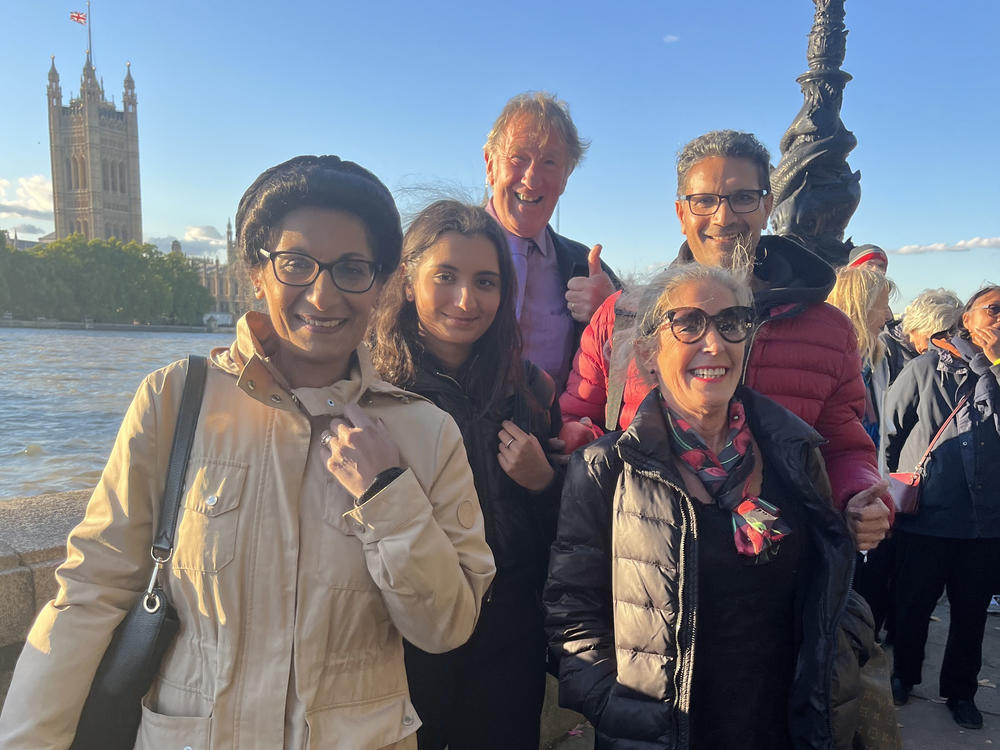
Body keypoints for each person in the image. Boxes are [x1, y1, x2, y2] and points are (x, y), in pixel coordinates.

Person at [0, 156, 496, 749]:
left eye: (352, 268)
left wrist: (387, 496)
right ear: (254, 273)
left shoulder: (428, 433)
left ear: (383, 284)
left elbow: (446, 627)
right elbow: (90, 592)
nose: (323, 292)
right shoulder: (173, 402)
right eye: (296, 264)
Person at [544, 262, 873, 749]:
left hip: (784, 728)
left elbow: (828, 579)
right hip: (663, 735)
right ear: (648, 353)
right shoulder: (606, 469)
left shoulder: (794, 453)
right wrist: (615, 706)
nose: (714, 344)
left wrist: (844, 648)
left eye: (731, 323)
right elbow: (570, 613)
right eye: (689, 324)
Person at [560, 129, 891, 548]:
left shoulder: (827, 330)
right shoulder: (622, 316)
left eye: (743, 198)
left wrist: (858, 497)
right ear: (681, 212)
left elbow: (844, 448)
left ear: (767, 205)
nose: (723, 217)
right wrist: (572, 440)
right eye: (704, 201)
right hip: (647, 564)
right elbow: (581, 420)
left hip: (780, 574)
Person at [368, 200, 561, 749]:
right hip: (404, 634)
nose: (465, 300)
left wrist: (544, 481)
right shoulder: (373, 390)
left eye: (485, 282)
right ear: (407, 281)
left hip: (509, 629)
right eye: (445, 277)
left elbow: (560, 528)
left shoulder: (529, 388)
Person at [886, 284, 1000, 730]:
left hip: (985, 523)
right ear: (966, 318)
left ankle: (961, 691)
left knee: (971, 615)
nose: (999, 319)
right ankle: (903, 675)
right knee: (913, 604)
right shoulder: (924, 368)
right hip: (928, 516)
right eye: (993, 310)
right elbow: (890, 436)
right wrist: (887, 499)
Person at [483, 91, 620, 388]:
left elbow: (640, 361)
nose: (531, 179)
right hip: (451, 430)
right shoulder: (441, 250)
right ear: (490, 165)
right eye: (518, 158)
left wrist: (610, 314)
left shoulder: (585, 267)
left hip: (556, 431)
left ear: (566, 177)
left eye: (549, 162)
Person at [827, 266, 897, 640]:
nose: (887, 315)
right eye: (881, 305)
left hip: (865, 489)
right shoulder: (840, 359)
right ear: (859, 304)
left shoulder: (878, 359)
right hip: (836, 497)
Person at [881, 288, 963, 386]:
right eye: (929, 339)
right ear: (913, 328)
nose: (937, 347)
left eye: (948, 340)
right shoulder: (884, 348)